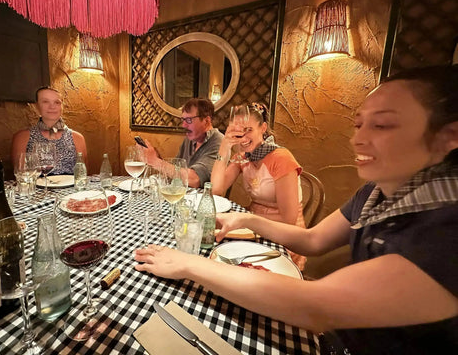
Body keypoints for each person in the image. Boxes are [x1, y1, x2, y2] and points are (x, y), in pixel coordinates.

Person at [135, 65, 458, 354]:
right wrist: (246, 218)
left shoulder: (446, 231)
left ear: (450, 136)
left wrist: (188, 264)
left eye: (383, 125)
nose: (358, 140)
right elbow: (315, 239)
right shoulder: (374, 193)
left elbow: (315, 306)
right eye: (359, 124)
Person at [210, 102, 306, 268]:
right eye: (238, 131)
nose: (243, 137)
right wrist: (224, 147)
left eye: (248, 130)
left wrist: (247, 220)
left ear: (263, 128)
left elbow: (288, 220)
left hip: (284, 235)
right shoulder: (243, 157)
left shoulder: (281, 158)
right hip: (253, 226)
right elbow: (216, 190)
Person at [140, 98, 223, 188]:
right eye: (183, 120)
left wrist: (156, 162)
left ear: (206, 121)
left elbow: (195, 179)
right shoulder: (190, 139)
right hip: (181, 194)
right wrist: (157, 158)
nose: (184, 125)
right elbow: (175, 170)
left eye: (189, 120)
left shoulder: (219, 142)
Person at [11, 86, 87, 175]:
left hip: (71, 184)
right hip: (37, 184)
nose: (52, 106)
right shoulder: (22, 137)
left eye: (57, 102)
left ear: (62, 106)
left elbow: (83, 175)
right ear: (36, 106)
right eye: (45, 102)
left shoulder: (77, 138)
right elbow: (20, 174)